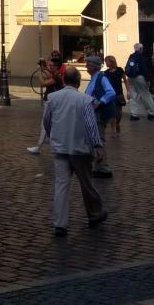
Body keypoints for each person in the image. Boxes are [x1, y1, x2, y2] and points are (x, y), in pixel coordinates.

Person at [42, 66, 106, 236]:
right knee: (86, 183)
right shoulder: (84, 100)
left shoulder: (53, 97)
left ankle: (60, 224)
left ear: (64, 80)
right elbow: (91, 125)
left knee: (61, 185)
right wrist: (97, 146)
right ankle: (94, 213)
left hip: (60, 147)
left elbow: (46, 121)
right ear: (78, 82)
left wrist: (52, 136)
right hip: (80, 148)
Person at [83, 57, 116, 177]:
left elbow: (111, 92)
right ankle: (98, 166)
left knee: (99, 139)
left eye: (88, 64)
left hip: (100, 113)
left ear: (94, 66)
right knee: (96, 138)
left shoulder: (101, 78)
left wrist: (100, 102)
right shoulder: (95, 78)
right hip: (95, 112)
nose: (86, 66)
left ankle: (103, 168)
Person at [124, 43, 154, 120]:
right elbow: (144, 69)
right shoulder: (141, 57)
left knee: (133, 96)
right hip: (140, 78)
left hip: (130, 78)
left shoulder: (131, 56)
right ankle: (151, 113)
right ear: (141, 49)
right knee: (146, 95)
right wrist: (148, 80)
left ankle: (133, 115)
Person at [102, 55, 129, 135]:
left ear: (111, 61)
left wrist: (128, 91)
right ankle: (113, 129)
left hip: (119, 93)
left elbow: (125, 81)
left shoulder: (120, 70)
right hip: (110, 94)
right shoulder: (105, 73)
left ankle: (117, 123)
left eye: (106, 61)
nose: (105, 63)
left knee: (119, 112)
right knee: (112, 112)